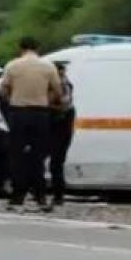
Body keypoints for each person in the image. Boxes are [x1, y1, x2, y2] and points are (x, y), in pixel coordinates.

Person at [1, 36, 61, 212]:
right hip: (40, 114)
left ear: (20, 48)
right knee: (38, 156)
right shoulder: (48, 66)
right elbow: (58, 91)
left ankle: (17, 197)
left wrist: (12, 100)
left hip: (18, 113)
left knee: (17, 156)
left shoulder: (12, 66)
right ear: (38, 47)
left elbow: (3, 90)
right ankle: (41, 197)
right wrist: (45, 100)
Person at [48, 62, 76, 206]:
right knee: (55, 163)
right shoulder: (62, 84)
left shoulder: (64, 86)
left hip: (60, 130)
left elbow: (63, 104)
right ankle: (55, 194)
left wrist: (47, 105)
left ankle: (58, 195)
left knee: (56, 163)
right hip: (60, 129)